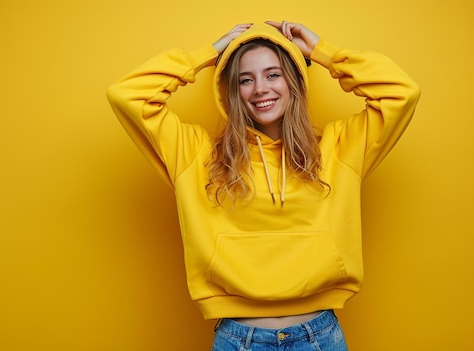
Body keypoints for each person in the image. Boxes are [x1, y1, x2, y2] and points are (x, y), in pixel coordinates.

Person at [107, 20, 420, 351]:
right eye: (245, 79)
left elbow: (402, 92)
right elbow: (127, 94)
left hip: (319, 336)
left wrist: (321, 51)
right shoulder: (196, 154)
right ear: (231, 91)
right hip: (237, 338)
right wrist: (209, 53)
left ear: (295, 81)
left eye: (273, 74)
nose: (260, 88)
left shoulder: (339, 148)